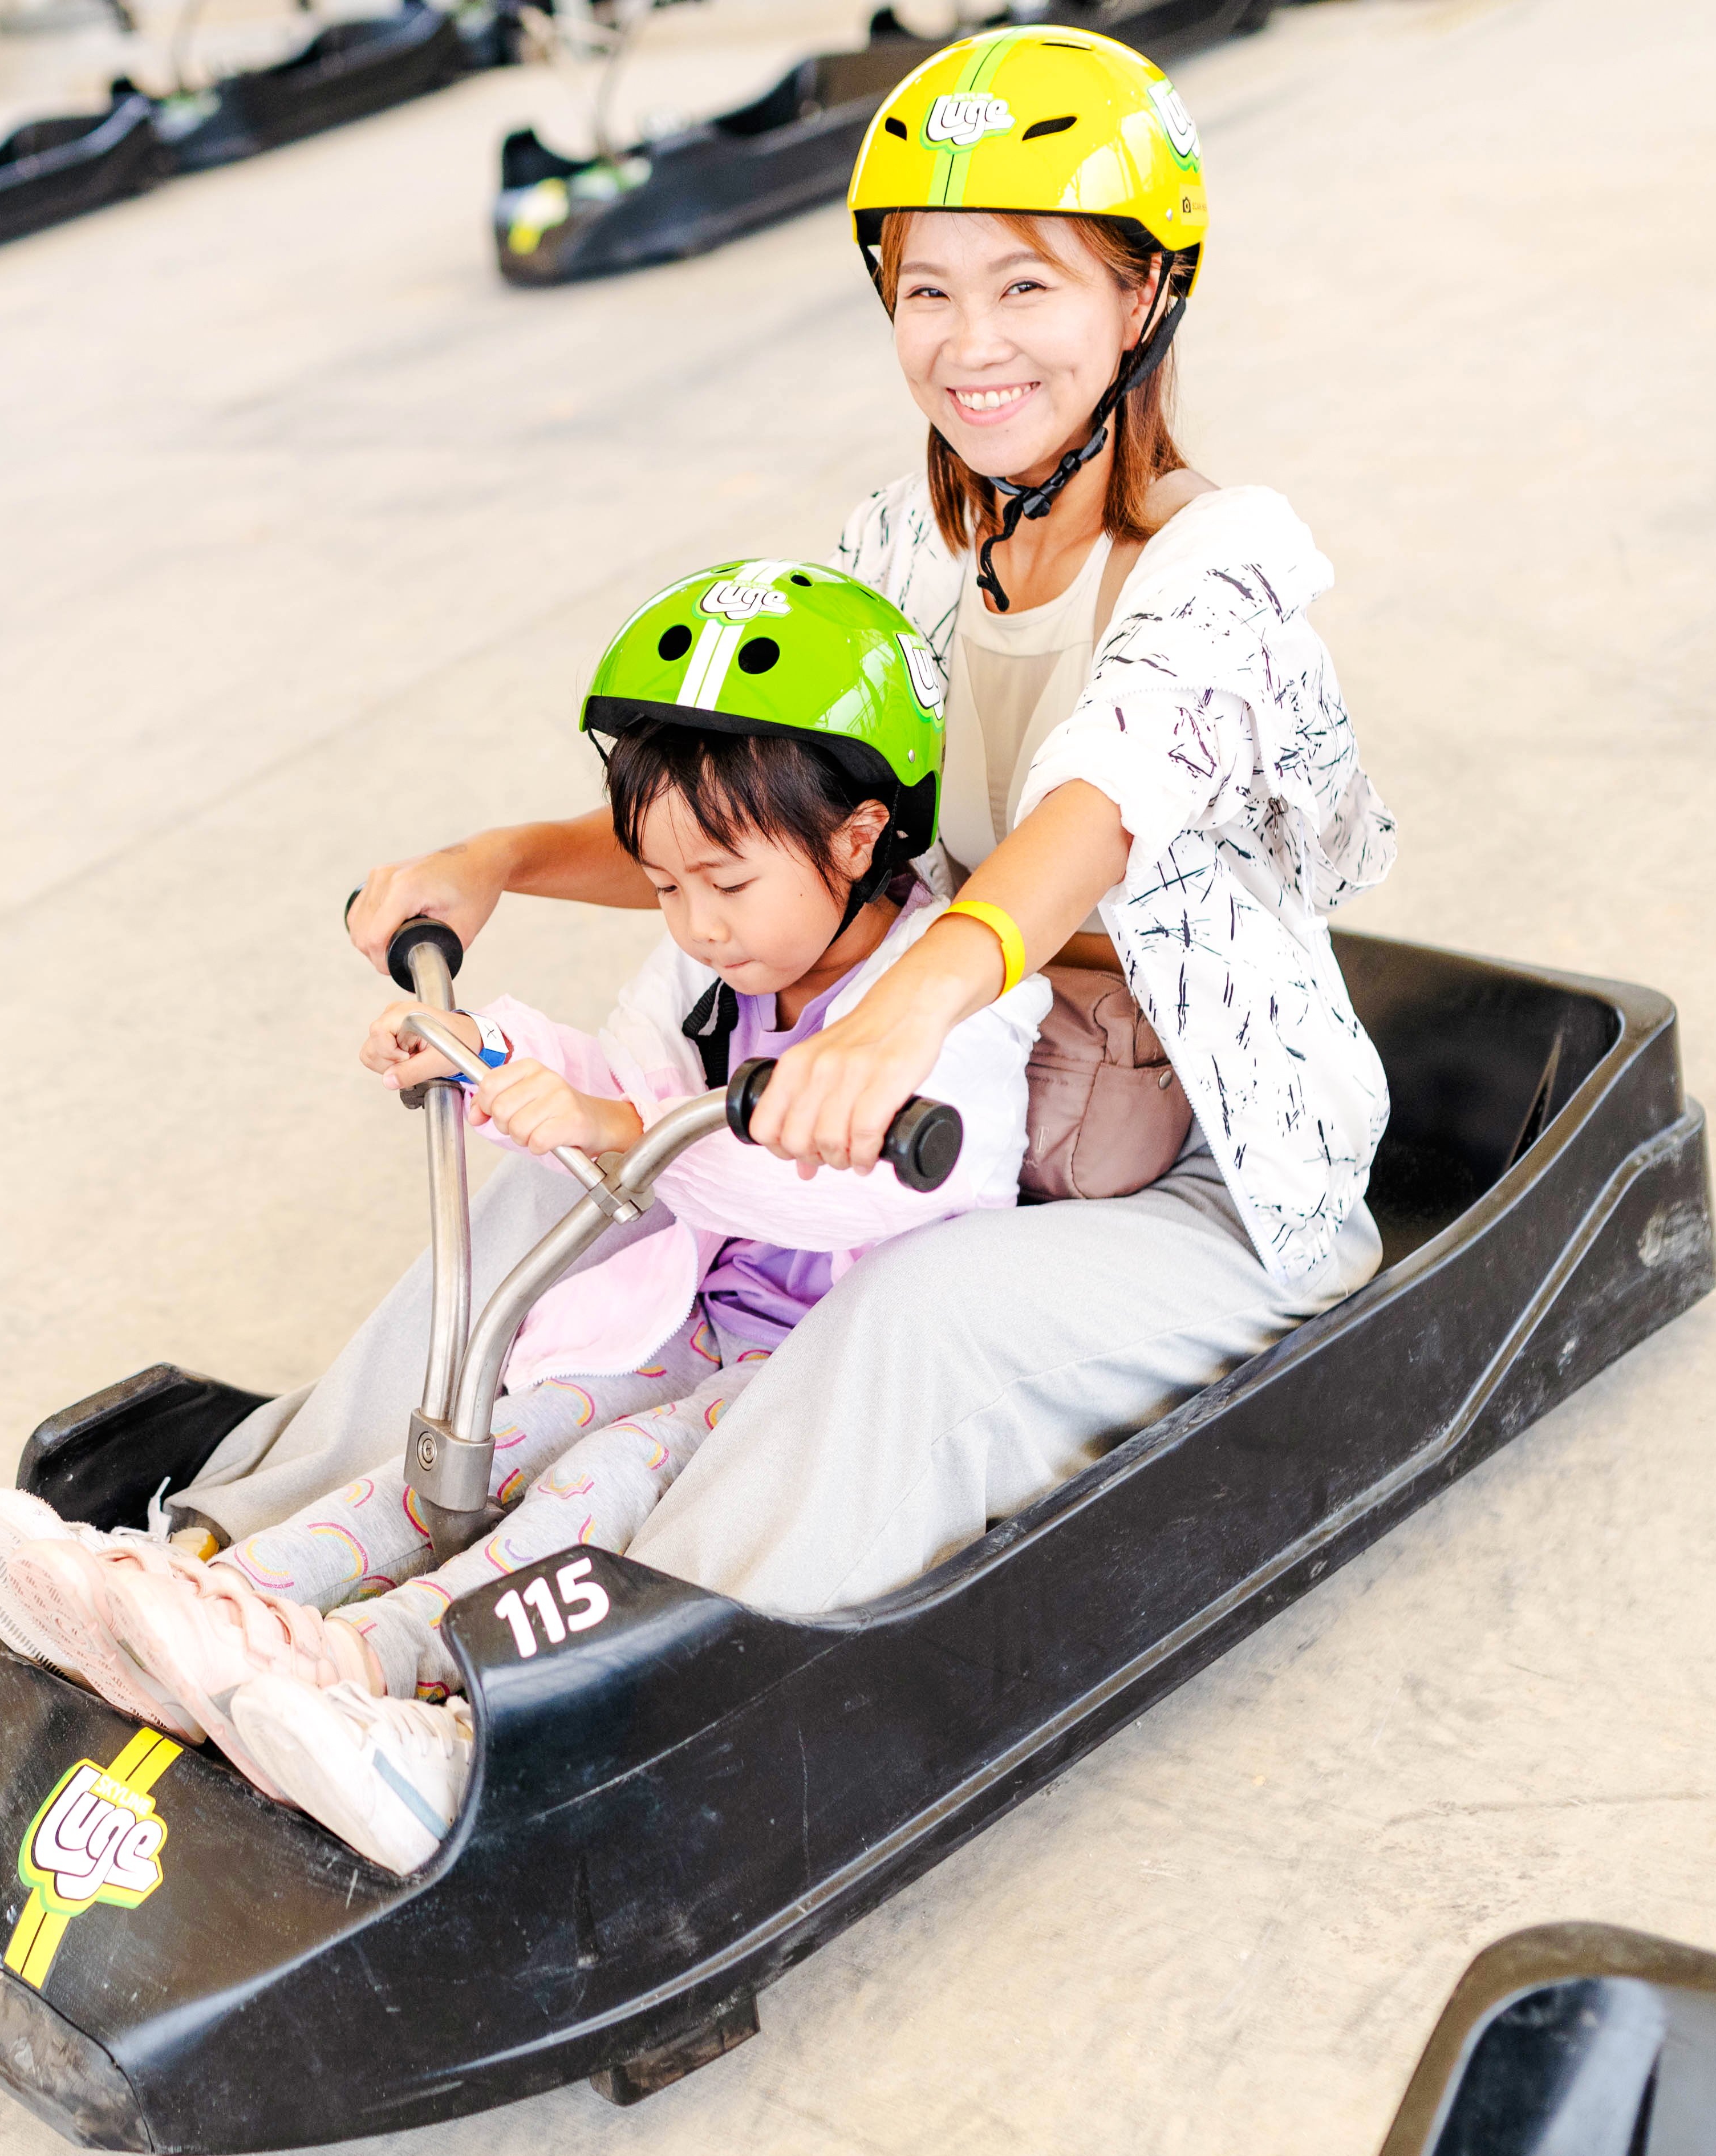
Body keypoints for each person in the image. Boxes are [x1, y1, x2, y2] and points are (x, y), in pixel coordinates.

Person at [173, 27, 1395, 1618]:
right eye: (929, 289)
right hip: (927, 1100)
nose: (972, 344)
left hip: (1179, 1167)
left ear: (1143, 296)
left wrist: (905, 1011)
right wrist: (496, 864)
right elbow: (773, 830)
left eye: (1029, 285)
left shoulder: (1220, 566)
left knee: (917, 1315)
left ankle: (548, 1680)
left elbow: (1095, 813)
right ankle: (226, 1554)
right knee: (563, 1171)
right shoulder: (900, 549)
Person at [0, 561, 1045, 1869]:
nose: (693, 921)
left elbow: (819, 1175)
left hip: (817, 1376)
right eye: (662, 883)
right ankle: (212, 1606)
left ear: (862, 837)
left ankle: (384, 1669)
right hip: (695, 1330)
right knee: (499, 1427)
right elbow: (626, 1081)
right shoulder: (721, 958)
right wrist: (488, 1060)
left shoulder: (947, 990)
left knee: (597, 1480)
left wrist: (613, 1129)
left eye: (726, 884)